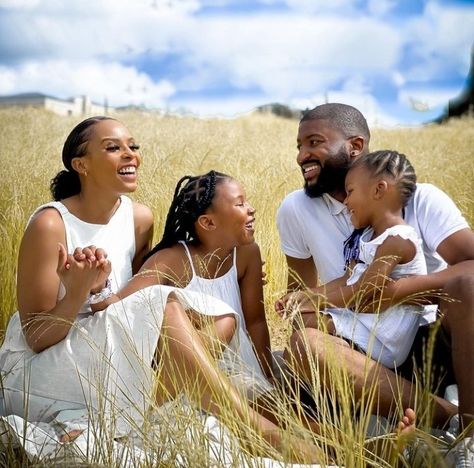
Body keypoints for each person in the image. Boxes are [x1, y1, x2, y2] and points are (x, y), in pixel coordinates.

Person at [0, 116, 316, 463]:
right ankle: (250, 423)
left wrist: (100, 293)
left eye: (132, 147)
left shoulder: (138, 219)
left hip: (108, 348)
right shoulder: (50, 223)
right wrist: (78, 292)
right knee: (162, 304)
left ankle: (164, 408)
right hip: (46, 366)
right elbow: (36, 337)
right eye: (113, 148)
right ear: (81, 165)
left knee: (222, 319)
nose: (130, 155)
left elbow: (130, 308)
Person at [276, 103, 474, 464]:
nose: (302, 156)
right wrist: (310, 318)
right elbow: (301, 293)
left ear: (355, 145)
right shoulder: (296, 210)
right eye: (299, 146)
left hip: (436, 341)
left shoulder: (419, 198)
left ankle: (469, 438)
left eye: (314, 142)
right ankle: (448, 416)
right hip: (362, 354)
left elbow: (470, 267)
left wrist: (401, 292)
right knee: (304, 343)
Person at [93, 170, 273, 398]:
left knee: (279, 410)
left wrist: (268, 377)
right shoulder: (171, 261)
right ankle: (161, 403)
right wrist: (98, 288)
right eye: (240, 204)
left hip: (240, 364)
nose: (251, 208)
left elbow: (256, 321)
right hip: (185, 375)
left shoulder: (247, 254)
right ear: (208, 222)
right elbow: (118, 309)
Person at [277, 150, 427, 370]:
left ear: (379, 190)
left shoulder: (397, 240)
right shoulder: (368, 235)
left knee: (307, 321)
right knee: (303, 317)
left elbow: (362, 291)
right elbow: (348, 279)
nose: (346, 201)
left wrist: (317, 302)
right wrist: (305, 295)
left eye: (350, 192)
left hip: (384, 336)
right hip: (367, 321)